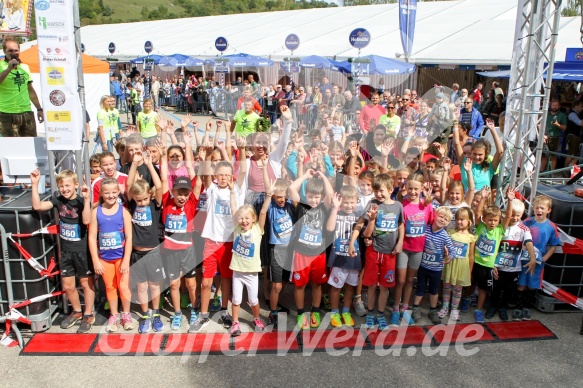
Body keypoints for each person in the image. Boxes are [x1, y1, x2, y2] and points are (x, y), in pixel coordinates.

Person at [30, 169, 95, 334]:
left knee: (85, 284)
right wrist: (34, 184)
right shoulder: (58, 200)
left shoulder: (81, 201)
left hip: (82, 251)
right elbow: (37, 206)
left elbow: (87, 220)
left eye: (67, 185)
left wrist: (87, 200)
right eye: (61, 186)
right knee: (68, 285)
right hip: (66, 251)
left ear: (75, 185)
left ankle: (88, 314)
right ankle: (77, 311)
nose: (65, 189)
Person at [349, 174, 404, 330]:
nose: (378, 194)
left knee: (385, 286)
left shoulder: (398, 206)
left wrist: (400, 242)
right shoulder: (372, 204)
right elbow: (362, 227)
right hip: (373, 251)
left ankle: (380, 314)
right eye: (376, 191)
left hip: (390, 253)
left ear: (390, 189)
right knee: (372, 285)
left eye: (381, 191)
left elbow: (400, 226)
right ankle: (371, 314)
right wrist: (352, 242)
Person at [288, 169, 334, 330]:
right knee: (299, 285)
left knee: (317, 284)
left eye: (316, 197)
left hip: (318, 255)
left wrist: (323, 176)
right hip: (301, 254)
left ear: (320, 198)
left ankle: (315, 310)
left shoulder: (324, 208)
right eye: (310, 196)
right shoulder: (301, 207)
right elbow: (292, 189)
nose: (313, 200)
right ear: (305, 195)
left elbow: (330, 193)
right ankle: (301, 312)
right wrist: (306, 176)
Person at [88, 177, 134, 332]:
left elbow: (129, 237)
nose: (111, 196)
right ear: (101, 193)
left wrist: (126, 259)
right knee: (110, 287)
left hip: (121, 257)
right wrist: (96, 260)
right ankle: (114, 315)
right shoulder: (96, 212)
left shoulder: (124, 211)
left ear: (118, 192)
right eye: (107, 193)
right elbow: (92, 237)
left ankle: (126, 314)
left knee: (123, 286)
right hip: (105, 259)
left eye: (114, 192)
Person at [490, 190, 537, 321]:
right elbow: (495, 246)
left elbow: (529, 243)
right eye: (513, 215)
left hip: (513, 267)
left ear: (522, 215)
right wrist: (493, 264)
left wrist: (533, 258)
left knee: (507, 290)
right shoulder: (501, 227)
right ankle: (492, 306)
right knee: (496, 288)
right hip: (499, 265)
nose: (515, 218)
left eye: (518, 215)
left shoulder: (524, 229)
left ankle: (503, 307)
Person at [228, 189, 269, 336]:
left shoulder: (257, 230)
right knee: (236, 299)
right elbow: (234, 209)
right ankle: (235, 323)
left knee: (253, 300)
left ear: (253, 219)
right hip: (238, 271)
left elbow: (263, 212)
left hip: (252, 273)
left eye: (247, 218)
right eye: (241, 218)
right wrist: (232, 192)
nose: (244, 221)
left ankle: (256, 319)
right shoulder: (237, 229)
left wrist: (269, 196)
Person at [395, 174, 434, 325]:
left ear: (422, 189)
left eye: (416, 189)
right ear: (405, 188)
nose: (412, 191)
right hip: (404, 248)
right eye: (410, 188)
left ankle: (405, 309)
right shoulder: (401, 205)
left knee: (410, 280)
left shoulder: (427, 205)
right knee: (401, 280)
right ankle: (395, 309)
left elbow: (432, 225)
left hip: (418, 249)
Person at [516, 194, 562, 320]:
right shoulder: (527, 222)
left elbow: (554, 244)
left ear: (549, 210)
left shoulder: (551, 226)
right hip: (523, 260)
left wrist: (545, 258)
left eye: (542, 208)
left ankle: (526, 307)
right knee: (521, 284)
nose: (539, 210)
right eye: (537, 208)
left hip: (537, 262)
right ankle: (517, 307)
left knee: (532, 284)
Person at [412, 207, 456, 325]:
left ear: (448, 223)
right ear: (435, 216)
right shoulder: (425, 229)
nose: (442, 220)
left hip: (436, 269)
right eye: (440, 216)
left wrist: (449, 256)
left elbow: (452, 250)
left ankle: (432, 310)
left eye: (446, 219)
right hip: (423, 266)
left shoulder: (445, 235)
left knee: (434, 290)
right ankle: (415, 308)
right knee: (420, 287)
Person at [472, 186, 509, 323]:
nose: (492, 222)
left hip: (487, 265)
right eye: (490, 220)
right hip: (474, 261)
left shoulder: (500, 230)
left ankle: (479, 310)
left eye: (495, 220)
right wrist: (482, 198)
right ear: (485, 219)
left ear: (499, 220)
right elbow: (477, 213)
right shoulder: (480, 226)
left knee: (482, 289)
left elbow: (509, 216)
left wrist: (510, 201)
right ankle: (464, 302)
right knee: (468, 284)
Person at [326, 186, 361, 328]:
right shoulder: (336, 213)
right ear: (340, 201)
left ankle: (346, 311)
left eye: (352, 202)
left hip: (353, 257)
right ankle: (334, 312)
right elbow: (329, 228)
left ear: (356, 202)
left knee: (350, 286)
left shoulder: (359, 216)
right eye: (346, 202)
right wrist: (335, 208)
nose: (349, 205)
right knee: (336, 287)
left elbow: (364, 234)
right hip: (338, 257)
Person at [0, 36, 43, 137]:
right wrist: (8, 69)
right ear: (4, 51)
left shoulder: (25, 67)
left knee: (30, 145)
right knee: (11, 147)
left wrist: (39, 109)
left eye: (16, 50)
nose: (14, 53)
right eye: (10, 50)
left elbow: (30, 90)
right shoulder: (1, 66)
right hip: (6, 113)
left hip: (26, 112)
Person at [440, 208, 476, 321]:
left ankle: (455, 309)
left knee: (457, 289)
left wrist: (469, 271)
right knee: (446, 287)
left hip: (461, 267)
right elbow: (444, 247)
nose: (459, 222)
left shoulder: (471, 237)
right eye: (457, 219)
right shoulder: (450, 232)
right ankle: (445, 306)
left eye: (462, 219)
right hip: (449, 265)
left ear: (469, 221)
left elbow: (471, 255)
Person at [541, 99, 567, 172]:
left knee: (553, 156)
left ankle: (552, 172)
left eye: (556, 105)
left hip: (555, 137)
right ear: (550, 106)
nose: (554, 107)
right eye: (553, 105)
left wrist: (557, 124)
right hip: (545, 137)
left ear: (559, 106)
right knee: (544, 155)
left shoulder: (561, 115)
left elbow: (564, 127)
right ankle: (541, 172)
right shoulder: (547, 114)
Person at [565, 100, 583, 168]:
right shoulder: (572, 114)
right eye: (581, 106)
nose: (582, 108)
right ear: (576, 106)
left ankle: (569, 169)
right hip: (573, 136)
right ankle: (565, 169)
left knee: (576, 155)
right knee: (571, 154)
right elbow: (580, 123)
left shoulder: (577, 114)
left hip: (576, 137)